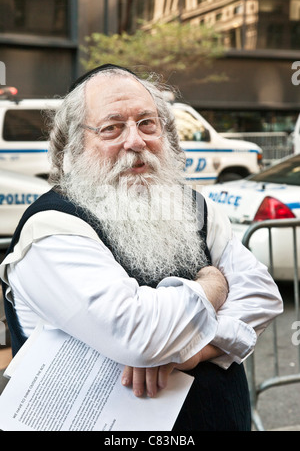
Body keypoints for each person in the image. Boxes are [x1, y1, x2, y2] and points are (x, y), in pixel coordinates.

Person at [0, 64, 283, 431]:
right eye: (112, 127)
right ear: (74, 143)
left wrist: (194, 352)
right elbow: (140, 333)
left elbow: (262, 296)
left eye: (147, 123)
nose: (135, 141)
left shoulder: (194, 206)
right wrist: (213, 287)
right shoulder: (51, 227)